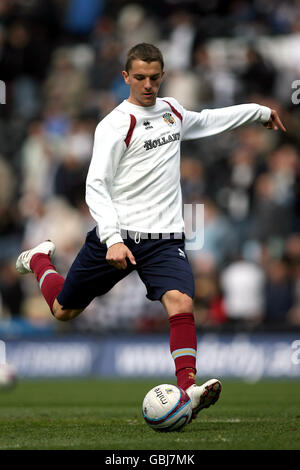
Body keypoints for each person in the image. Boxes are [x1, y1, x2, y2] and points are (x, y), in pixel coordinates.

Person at [16, 43, 286, 421]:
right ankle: (40, 258)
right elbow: (96, 185)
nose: (147, 85)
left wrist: (257, 112)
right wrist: (111, 239)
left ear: (163, 76)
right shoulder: (114, 124)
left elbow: (207, 120)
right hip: (119, 236)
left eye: (154, 78)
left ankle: (187, 388)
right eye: (140, 77)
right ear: (125, 77)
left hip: (165, 238)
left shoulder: (172, 111)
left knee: (181, 302)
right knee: (63, 310)